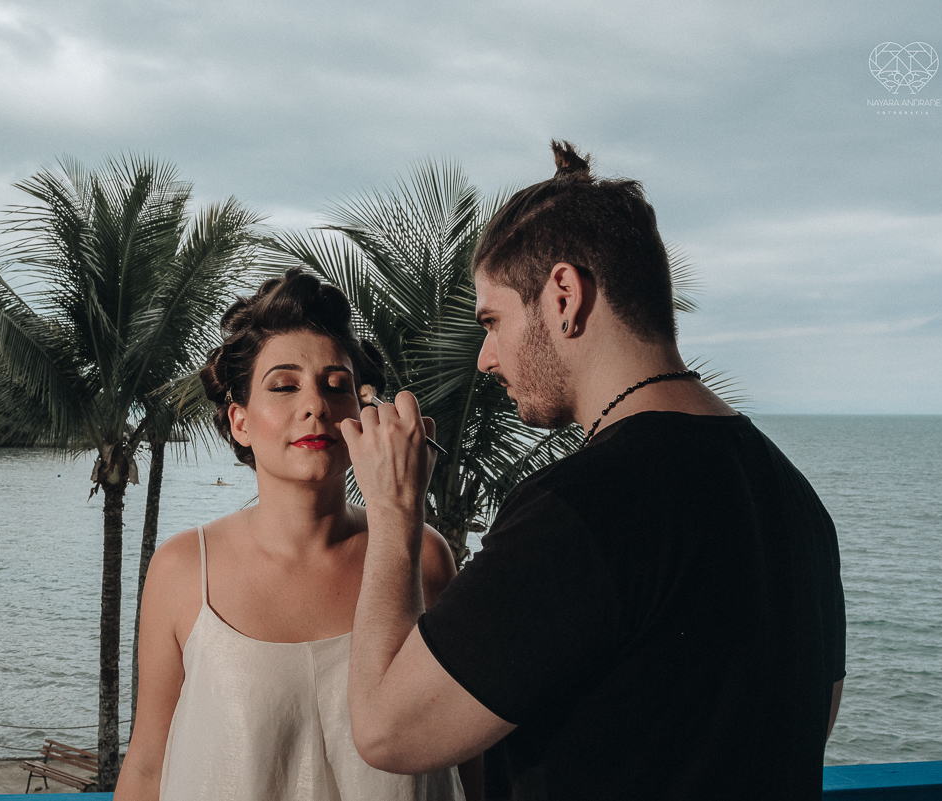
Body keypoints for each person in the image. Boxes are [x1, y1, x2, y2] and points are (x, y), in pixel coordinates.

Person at [340, 142, 846, 800]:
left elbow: (385, 731)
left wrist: (392, 510)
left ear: (564, 295)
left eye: (493, 320)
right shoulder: (797, 500)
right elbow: (815, 721)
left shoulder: (578, 511)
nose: (487, 358)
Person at [115, 269, 471, 801]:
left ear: (361, 410)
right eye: (284, 386)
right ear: (239, 422)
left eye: (337, 386)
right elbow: (147, 768)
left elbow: (466, 757)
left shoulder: (423, 557)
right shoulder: (184, 569)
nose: (315, 406)